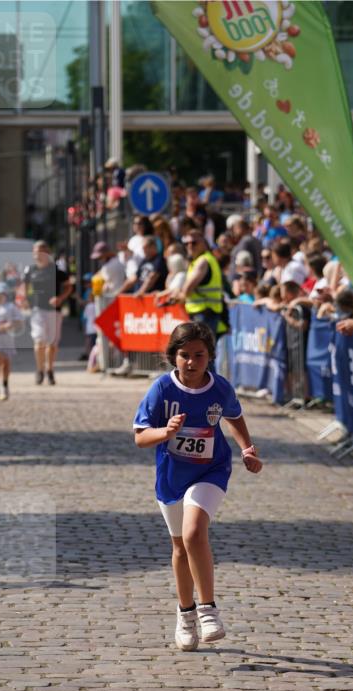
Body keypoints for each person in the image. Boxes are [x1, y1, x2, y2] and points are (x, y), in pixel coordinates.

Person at [134, 321, 262, 651]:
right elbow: (140, 436)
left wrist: (247, 448)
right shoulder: (162, 390)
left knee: (194, 533)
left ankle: (208, 610)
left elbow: (234, 415)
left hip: (211, 470)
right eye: (185, 355)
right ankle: (185, 613)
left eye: (199, 355)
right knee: (179, 546)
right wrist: (165, 433)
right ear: (172, 357)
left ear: (210, 357)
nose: (192, 362)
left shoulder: (219, 388)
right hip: (172, 476)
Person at [24, 241, 73, 385]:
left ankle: (50, 370)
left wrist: (61, 298)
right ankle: (40, 370)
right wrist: (27, 299)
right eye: (35, 251)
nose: (37, 253)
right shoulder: (30, 270)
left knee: (52, 343)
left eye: (40, 250)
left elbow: (69, 286)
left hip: (54, 311)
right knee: (39, 341)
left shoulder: (56, 270)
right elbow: (25, 287)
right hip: (37, 309)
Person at [168, 230, 225, 337]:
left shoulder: (202, 261)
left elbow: (187, 290)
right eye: (186, 243)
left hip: (204, 313)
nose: (190, 246)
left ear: (203, 243)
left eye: (194, 243)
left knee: (203, 350)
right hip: (204, 313)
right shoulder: (200, 260)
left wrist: (178, 296)